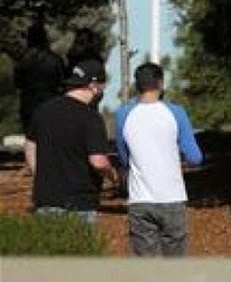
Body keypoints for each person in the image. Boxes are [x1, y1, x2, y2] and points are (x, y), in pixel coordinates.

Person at [114, 62, 203, 257]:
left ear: (137, 85)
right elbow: (195, 157)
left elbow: (123, 156)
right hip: (172, 197)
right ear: (160, 83)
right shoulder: (176, 112)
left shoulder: (123, 115)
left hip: (140, 199)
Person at [24, 59, 117, 225]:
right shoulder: (91, 118)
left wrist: (40, 175)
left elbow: (30, 146)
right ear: (93, 86)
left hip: (45, 201)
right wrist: (113, 175)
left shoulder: (43, 110)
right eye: (102, 86)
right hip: (79, 205)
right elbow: (98, 162)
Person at [16, 21, 65, 135]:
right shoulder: (55, 60)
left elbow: (18, 83)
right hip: (50, 103)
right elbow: (62, 83)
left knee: (31, 137)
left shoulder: (23, 60)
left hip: (29, 104)